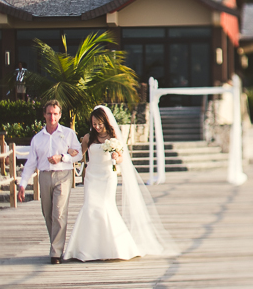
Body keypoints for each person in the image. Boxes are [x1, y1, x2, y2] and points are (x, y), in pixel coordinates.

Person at [63, 105, 178, 262]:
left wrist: (117, 158)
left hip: (107, 176)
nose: (96, 127)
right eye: (94, 123)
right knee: (90, 207)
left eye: (99, 123)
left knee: (105, 207)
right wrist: (70, 154)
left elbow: (122, 158)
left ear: (105, 121)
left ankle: (112, 247)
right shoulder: (88, 138)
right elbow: (79, 156)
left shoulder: (114, 137)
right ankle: (88, 249)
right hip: (91, 177)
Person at [17, 100, 82, 264]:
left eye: (55, 113)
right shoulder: (37, 138)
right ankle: (56, 245)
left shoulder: (68, 134)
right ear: (44, 115)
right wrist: (23, 185)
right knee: (48, 214)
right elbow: (31, 163)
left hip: (63, 175)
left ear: (60, 115)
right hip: (45, 176)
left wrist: (62, 157)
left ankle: (56, 252)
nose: (52, 117)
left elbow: (79, 154)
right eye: (49, 113)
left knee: (59, 213)